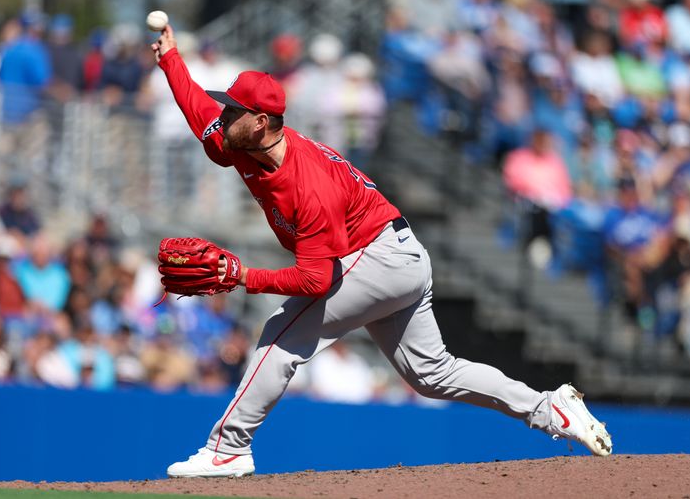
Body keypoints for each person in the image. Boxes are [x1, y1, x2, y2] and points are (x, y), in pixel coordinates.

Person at [151, 25, 612, 478]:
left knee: (281, 334)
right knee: (431, 374)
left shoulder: (306, 184)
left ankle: (228, 449)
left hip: (380, 257)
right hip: (396, 255)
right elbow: (198, 112)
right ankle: (549, 409)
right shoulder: (242, 144)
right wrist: (171, 58)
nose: (223, 115)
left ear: (261, 122)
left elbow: (317, 280)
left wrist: (244, 276)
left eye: (233, 110)